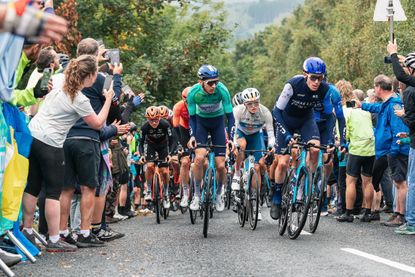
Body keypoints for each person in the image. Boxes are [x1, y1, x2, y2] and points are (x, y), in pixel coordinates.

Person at [22, 55, 114, 252]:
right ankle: (54, 239)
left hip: (34, 133)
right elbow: (97, 124)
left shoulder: (58, 79)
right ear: (88, 77)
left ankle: (27, 230)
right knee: (54, 192)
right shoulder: (80, 99)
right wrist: (108, 100)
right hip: (51, 143)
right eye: (95, 74)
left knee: (33, 186)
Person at [271, 57, 330, 220]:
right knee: (282, 163)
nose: (317, 82)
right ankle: (277, 196)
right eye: (313, 77)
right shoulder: (292, 85)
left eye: (320, 78)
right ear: (305, 75)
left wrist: (329, 141)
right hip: (286, 120)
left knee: (316, 149)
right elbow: (276, 112)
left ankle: (306, 186)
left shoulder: (324, 89)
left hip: (306, 120)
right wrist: (287, 135)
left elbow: (329, 116)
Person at [358, 75, 409, 227]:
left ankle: (401, 215)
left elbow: (398, 131)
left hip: (395, 150)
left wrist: (393, 150)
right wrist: (361, 105)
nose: (374, 90)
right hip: (388, 150)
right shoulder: (387, 104)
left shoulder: (394, 104)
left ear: (379, 87)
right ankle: (397, 213)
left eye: (375, 87)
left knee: (401, 183)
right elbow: (377, 107)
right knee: (397, 182)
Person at [187, 64, 235, 212]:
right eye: (210, 83)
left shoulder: (222, 90)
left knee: (221, 165)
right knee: (199, 159)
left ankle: (220, 193)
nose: (214, 86)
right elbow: (192, 118)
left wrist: (231, 138)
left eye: (216, 82)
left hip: (218, 124)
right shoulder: (193, 93)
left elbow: (230, 117)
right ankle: (196, 194)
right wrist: (193, 135)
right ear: (201, 82)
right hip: (201, 124)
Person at [231, 88, 275, 221]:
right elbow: (233, 131)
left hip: (256, 136)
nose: (254, 106)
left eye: (256, 103)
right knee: (242, 145)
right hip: (242, 134)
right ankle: (237, 173)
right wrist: (234, 145)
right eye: (250, 104)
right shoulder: (238, 110)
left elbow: (271, 134)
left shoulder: (265, 112)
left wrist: (271, 147)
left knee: (257, 166)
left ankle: (256, 203)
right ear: (244, 104)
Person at [336, 85, 375, 223]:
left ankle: (348, 212)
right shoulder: (364, 109)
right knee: (367, 181)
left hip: (356, 148)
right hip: (370, 148)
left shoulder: (344, 112)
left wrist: (343, 145)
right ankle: (368, 212)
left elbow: (343, 132)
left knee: (350, 181)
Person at [392, 53, 415, 234]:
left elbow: (413, 121)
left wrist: (403, 116)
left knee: (412, 182)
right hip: (411, 138)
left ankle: (412, 222)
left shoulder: (409, 91)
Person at [140, 106, 176, 209]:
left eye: (156, 120)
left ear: (159, 118)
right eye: (151, 120)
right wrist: (142, 155)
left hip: (163, 146)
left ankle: (166, 193)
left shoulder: (165, 124)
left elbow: (172, 140)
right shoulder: (145, 127)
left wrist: (170, 154)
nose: (154, 123)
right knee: (150, 165)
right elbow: (141, 143)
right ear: (147, 119)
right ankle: (149, 190)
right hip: (151, 146)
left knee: (164, 171)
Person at [173, 87, 192, 208]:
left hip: (199, 126)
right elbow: (175, 127)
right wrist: (179, 144)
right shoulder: (178, 107)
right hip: (184, 129)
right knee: (185, 162)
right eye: (187, 102)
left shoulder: (201, 103)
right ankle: (185, 192)